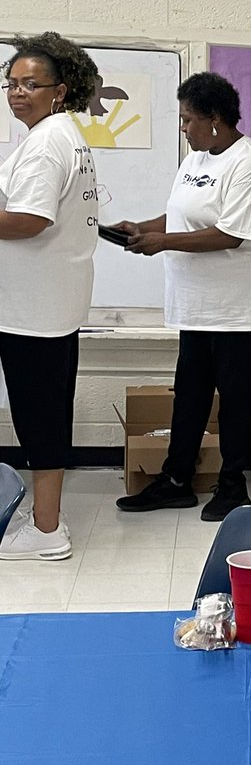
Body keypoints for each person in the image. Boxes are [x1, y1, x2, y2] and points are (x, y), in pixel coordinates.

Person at [114, 72, 251, 523]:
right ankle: (175, 481)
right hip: (196, 303)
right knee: (189, 395)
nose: (183, 127)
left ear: (215, 119)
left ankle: (233, 486)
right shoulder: (196, 159)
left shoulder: (250, 164)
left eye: (189, 119)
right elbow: (181, 214)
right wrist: (147, 228)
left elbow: (231, 234)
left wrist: (164, 243)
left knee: (232, 397)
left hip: (237, 308)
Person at [0, 32, 99, 562]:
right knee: (48, 414)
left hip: (31, 309)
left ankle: (47, 532)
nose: (18, 93)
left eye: (31, 84)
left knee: (38, 419)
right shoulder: (63, 134)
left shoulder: (45, 143)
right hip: (51, 303)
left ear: (60, 89)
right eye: (12, 83)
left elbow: (30, 220)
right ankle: (45, 521)